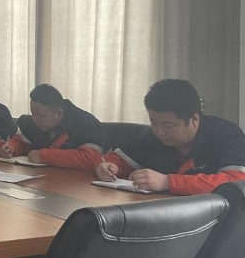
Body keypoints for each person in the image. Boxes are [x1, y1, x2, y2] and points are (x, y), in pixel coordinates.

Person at [96, 79, 245, 194]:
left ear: (193, 120)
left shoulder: (227, 135)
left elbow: (235, 182)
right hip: (162, 211)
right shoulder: (155, 136)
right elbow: (120, 159)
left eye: (168, 126)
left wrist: (167, 182)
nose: (159, 131)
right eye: (153, 122)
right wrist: (108, 167)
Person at [0, 84, 103, 169]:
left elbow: (89, 158)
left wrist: (44, 156)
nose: (34, 120)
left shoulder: (86, 124)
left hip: (77, 183)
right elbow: (24, 141)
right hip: (43, 178)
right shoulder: (36, 122)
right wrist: (11, 148)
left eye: (39, 115)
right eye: (33, 113)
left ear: (59, 113)